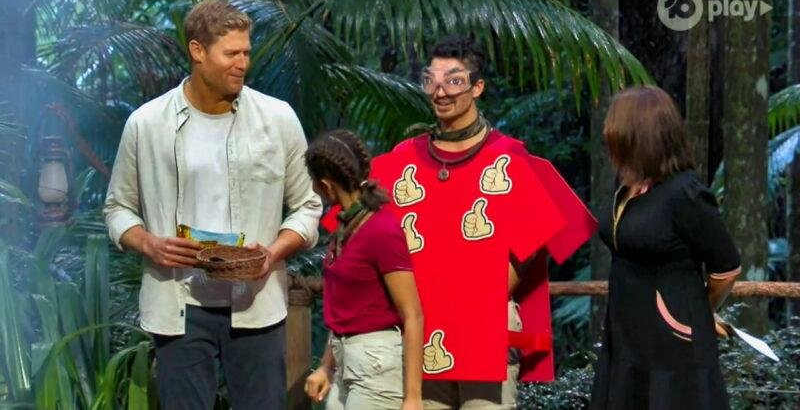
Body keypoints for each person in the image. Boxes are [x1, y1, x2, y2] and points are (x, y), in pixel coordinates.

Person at [321, 36, 597, 409]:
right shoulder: (402, 160)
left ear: (477, 87)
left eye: (453, 80)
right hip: (420, 335)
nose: (440, 92)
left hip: (486, 333)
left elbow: (536, 241)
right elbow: (353, 228)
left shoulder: (509, 158)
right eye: (431, 80)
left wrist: (479, 301)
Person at [103, 0, 322, 410]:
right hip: (177, 304)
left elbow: (308, 205)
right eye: (231, 54)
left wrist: (272, 252)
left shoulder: (278, 119)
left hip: (256, 302)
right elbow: (117, 208)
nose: (243, 64)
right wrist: (149, 244)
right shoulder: (147, 124)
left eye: (246, 53)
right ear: (198, 51)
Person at [590, 85, 741, 410]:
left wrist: (699, 311)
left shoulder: (685, 193)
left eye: (614, 126)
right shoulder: (625, 185)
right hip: (626, 334)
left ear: (639, 135)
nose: (606, 133)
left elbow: (727, 268)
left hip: (673, 342)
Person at [302, 129, 424, 410]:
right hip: (345, 360)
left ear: (326, 185)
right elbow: (347, 310)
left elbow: (413, 314)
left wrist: (413, 398)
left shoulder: (381, 231)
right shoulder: (345, 227)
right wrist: (326, 366)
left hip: (376, 365)